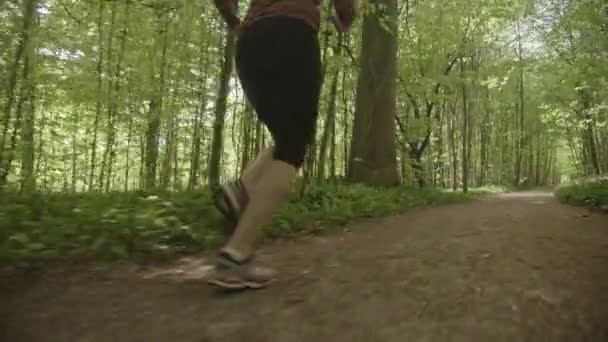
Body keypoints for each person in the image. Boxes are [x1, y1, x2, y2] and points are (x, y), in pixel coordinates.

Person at [209, 0, 356, 290]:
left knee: (286, 134)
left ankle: (242, 191)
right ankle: (235, 256)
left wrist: (234, 21)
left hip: (250, 43)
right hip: (293, 36)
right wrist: (345, 18)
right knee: (293, 148)